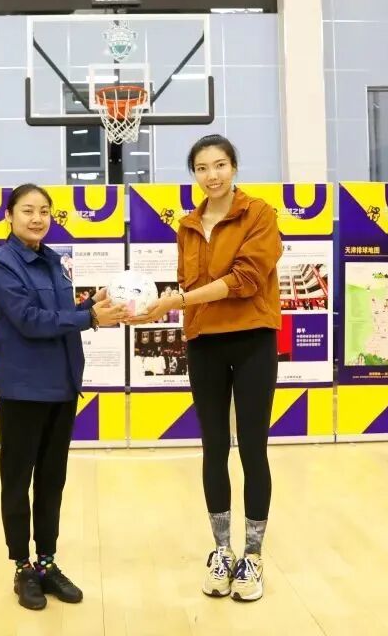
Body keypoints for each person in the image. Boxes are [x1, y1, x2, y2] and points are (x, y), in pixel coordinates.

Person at [129, 134, 283, 603]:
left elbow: (246, 280)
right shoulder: (188, 224)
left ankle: (252, 556)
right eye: (201, 167)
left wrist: (177, 300)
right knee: (213, 448)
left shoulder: (259, 214)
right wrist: (162, 303)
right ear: (193, 173)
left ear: (234, 167)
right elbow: (190, 282)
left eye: (219, 165)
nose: (211, 175)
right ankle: (222, 550)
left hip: (253, 338)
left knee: (252, 448)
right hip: (204, 344)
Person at [0, 183, 127, 611]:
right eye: (28, 210)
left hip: (62, 387)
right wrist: (89, 317)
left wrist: (91, 303)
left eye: (44, 211)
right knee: (18, 481)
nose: (37, 218)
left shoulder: (53, 260)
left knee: (52, 480)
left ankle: (47, 563)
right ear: (9, 216)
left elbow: (58, 314)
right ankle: (22, 567)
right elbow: (30, 320)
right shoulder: (2, 263)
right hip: (23, 390)